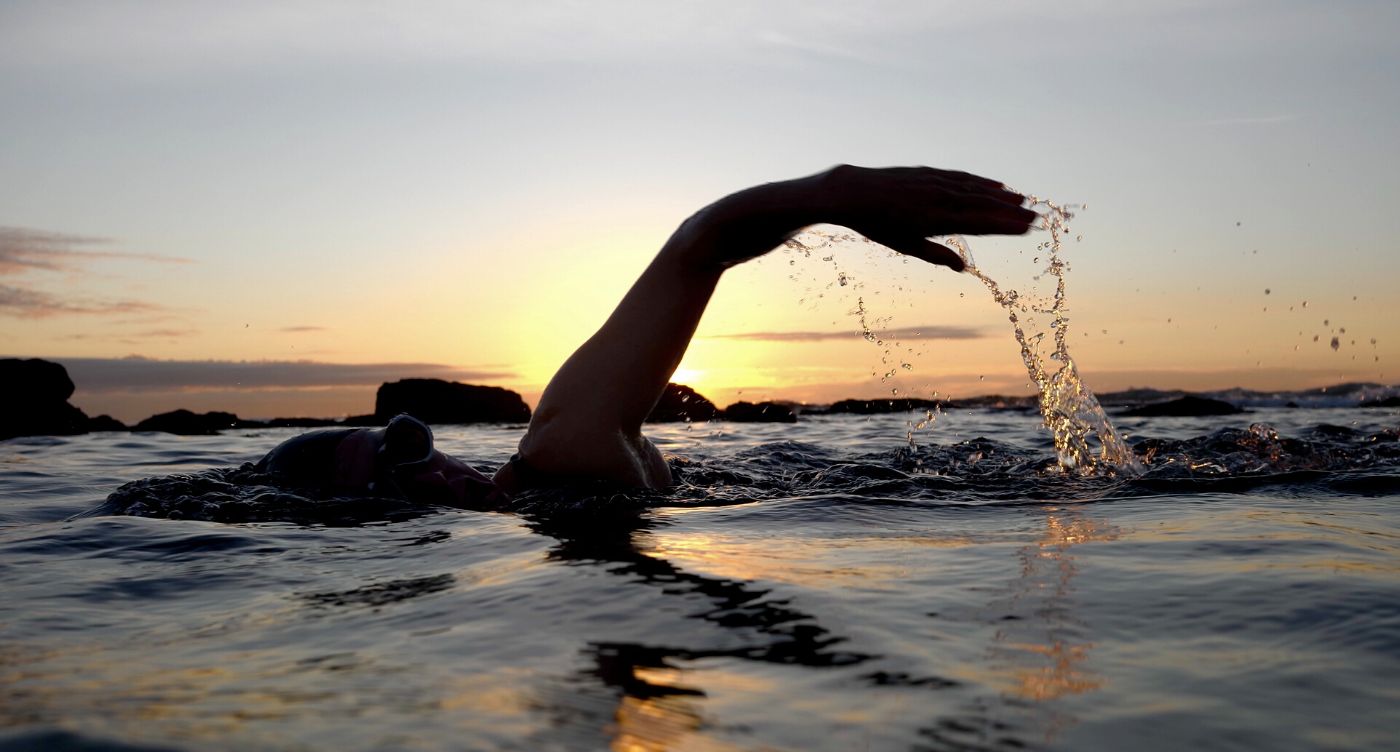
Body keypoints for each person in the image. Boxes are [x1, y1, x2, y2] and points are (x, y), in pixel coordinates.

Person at [256, 165, 1036, 508]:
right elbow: (700, 248)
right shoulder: (565, 472)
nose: (431, 471)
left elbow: (701, 244)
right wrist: (832, 195)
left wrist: (831, 193)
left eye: (412, 441)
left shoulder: (560, 447)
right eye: (397, 473)